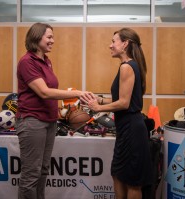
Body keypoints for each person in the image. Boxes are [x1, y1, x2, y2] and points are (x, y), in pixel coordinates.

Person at [16, 22, 90, 199]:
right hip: (32, 122)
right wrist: (77, 93)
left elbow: (49, 92)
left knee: (42, 171)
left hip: (48, 122)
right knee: (31, 175)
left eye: (52, 37)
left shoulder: (46, 61)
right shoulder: (27, 62)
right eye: (49, 37)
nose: (53, 41)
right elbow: (44, 92)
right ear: (36, 37)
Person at [81, 28, 153, 199]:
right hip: (126, 129)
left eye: (114, 41)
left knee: (132, 182)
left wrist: (97, 109)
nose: (110, 45)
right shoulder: (129, 65)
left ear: (125, 44)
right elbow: (121, 99)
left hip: (132, 130)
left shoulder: (127, 67)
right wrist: (98, 100)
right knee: (118, 175)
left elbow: (124, 103)